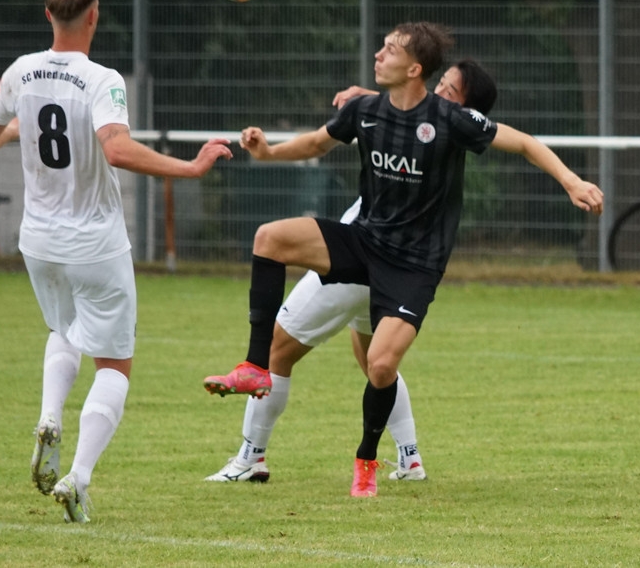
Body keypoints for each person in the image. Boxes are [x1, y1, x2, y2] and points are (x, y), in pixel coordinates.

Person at [204, 22, 604, 497]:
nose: (378, 54)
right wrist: (268, 152)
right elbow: (316, 143)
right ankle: (260, 376)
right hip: (364, 242)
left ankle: (339, 458)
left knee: (368, 364)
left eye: (390, 49)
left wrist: (572, 181)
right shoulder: (369, 109)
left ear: (415, 69)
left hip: (412, 266)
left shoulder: (451, 122)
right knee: (271, 240)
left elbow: (523, 142)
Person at [0, 0, 232, 523]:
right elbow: (116, 149)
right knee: (114, 364)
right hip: (93, 242)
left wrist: (23, 127)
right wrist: (190, 167)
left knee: (63, 331)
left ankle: (49, 417)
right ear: (94, 15)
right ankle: (79, 478)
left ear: (48, 14)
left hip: (38, 241)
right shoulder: (102, 79)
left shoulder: (21, 71)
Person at [205, 59, 498, 484]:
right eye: (440, 84)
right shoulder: (435, 129)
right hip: (392, 269)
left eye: (449, 92)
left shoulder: (443, 128)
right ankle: (410, 457)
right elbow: (409, 115)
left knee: (277, 350)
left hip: (361, 258)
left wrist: (372, 100)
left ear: (468, 113)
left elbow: (413, 121)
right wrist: (374, 97)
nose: (437, 95)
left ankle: (251, 457)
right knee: (374, 361)